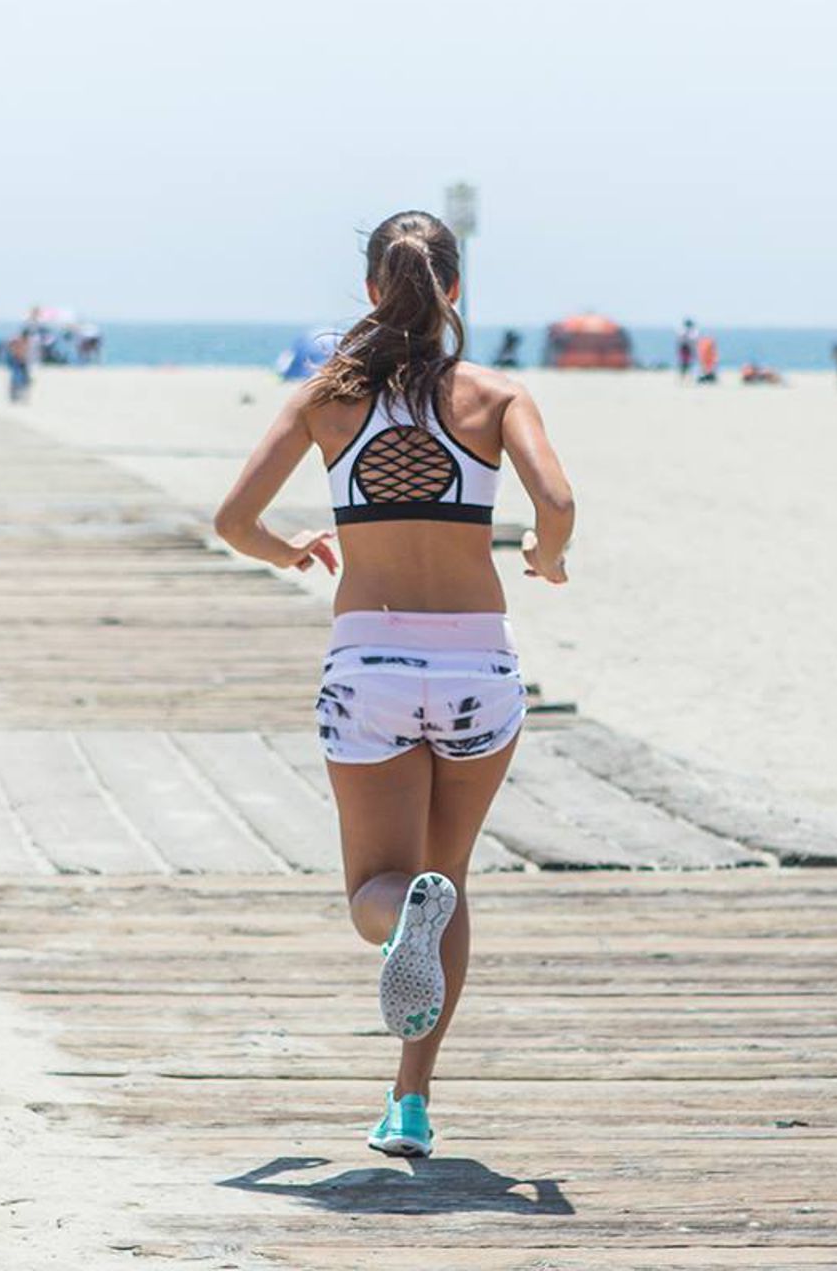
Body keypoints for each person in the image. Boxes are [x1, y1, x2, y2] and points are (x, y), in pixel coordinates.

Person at [215, 210, 574, 1159]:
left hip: (367, 660)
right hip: (478, 663)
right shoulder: (498, 395)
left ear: (375, 290)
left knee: (382, 888)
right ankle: (410, 1102)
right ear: (453, 290)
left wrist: (291, 546)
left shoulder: (325, 397)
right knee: (447, 879)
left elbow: (233, 519)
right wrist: (549, 552)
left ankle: (398, 919)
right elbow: (560, 501)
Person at [6, 329, 33, 402]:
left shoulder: (25, 342)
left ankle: (19, 395)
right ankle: (14, 395)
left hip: (21, 361)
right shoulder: (19, 340)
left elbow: (24, 353)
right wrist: (13, 353)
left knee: (23, 378)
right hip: (17, 360)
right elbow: (10, 344)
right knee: (16, 378)